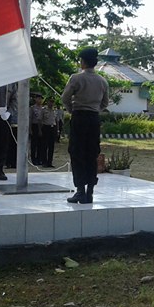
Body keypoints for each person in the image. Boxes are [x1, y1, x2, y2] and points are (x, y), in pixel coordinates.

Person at [61, 47, 109, 203]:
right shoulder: (102, 81)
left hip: (79, 117)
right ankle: (90, 192)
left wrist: (72, 110)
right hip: (94, 119)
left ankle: (80, 190)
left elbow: (65, 98)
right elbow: (105, 103)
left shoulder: (76, 78)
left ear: (83, 62)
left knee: (77, 152)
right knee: (92, 153)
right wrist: (95, 110)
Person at [30, 93, 46, 165]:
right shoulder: (32, 108)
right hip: (34, 126)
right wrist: (30, 129)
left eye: (41, 99)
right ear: (35, 99)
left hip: (42, 126)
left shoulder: (43, 108)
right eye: (38, 98)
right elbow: (30, 118)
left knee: (41, 144)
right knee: (34, 144)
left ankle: (39, 158)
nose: (39, 100)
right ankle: (33, 159)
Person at [42, 96, 58, 167]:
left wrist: (57, 130)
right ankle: (44, 162)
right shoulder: (44, 110)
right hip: (46, 127)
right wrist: (40, 130)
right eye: (50, 102)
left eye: (52, 102)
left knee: (52, 146)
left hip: (53, 128)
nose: (51, 103)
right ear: (47, 102)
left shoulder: (55, 111)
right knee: (45, 146)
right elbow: (40, 120)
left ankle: (50, 162)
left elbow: (56, 121)